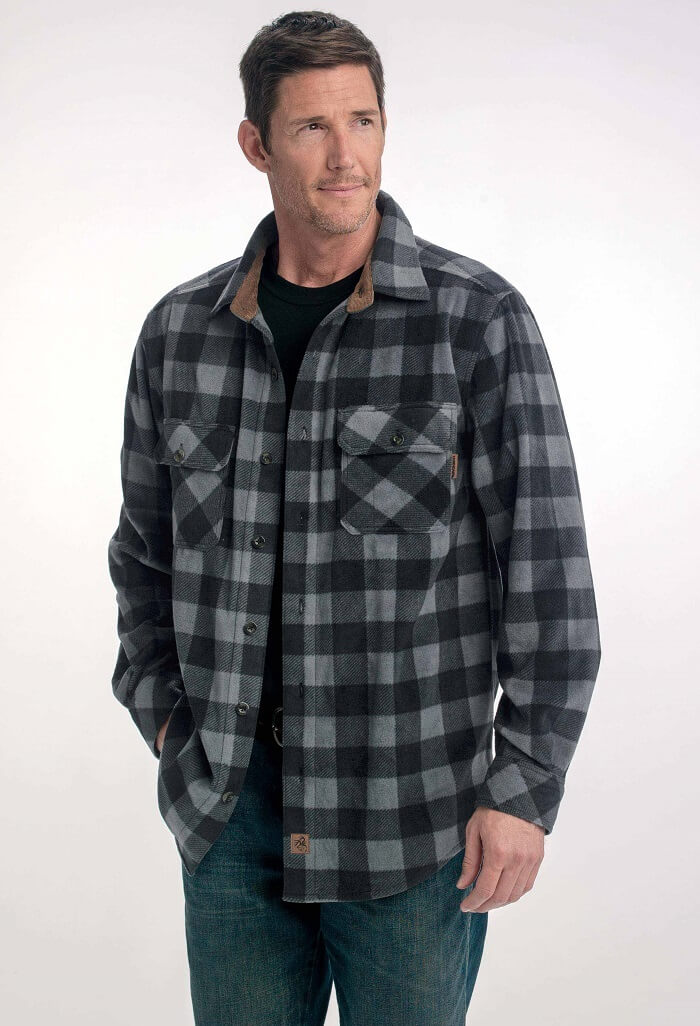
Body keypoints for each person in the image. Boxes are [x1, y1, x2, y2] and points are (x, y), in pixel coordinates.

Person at [107, 10, 602, 1025]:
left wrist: (522, 788)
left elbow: (548, 572)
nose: (346, 157)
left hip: (409, 818)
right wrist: (165, 721)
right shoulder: (178, 335)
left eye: (363, 121)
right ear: (256, 144)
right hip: (231, 813)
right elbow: (142, 559)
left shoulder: (476, 321)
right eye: (312, 128)